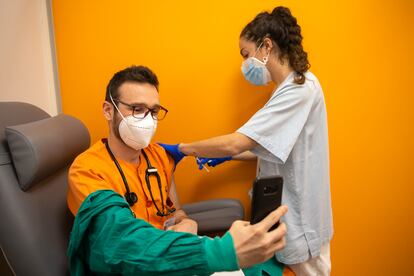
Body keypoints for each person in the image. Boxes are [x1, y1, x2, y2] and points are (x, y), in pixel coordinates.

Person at [160, 6, 333, 276]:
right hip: (284, 210)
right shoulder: (283, 90)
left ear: (266, 46)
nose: (245, 64)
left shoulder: (300, 89)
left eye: (245, 54)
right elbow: (265, 148)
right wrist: (227, 156)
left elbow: (238, 142)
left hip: (301, 215)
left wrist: (183, 149)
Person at [66, 65, 288, 275]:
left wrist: (186, 222)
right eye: (137, 109)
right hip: (131, 267)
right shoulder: (87, 170)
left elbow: (175, 213)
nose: (148, 120)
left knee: (261, 266)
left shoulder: (158, 156)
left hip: (171, 261)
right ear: (108, 110)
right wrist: (219, 252)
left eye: (153, 111)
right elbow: (119, 242)